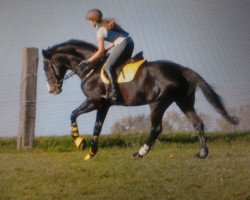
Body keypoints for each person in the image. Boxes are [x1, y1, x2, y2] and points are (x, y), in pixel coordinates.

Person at [80, 9, 134, 102]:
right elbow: (117, 39)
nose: (89, 23)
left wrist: (88, 60)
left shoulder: (100, 31)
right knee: (118, 65)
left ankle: (114, 91)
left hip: (122, 44)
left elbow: (100, 51)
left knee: (107, 66)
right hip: (129, 43)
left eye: (89, 21)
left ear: (94, 20)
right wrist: (107, 49)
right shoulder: (108, 23)